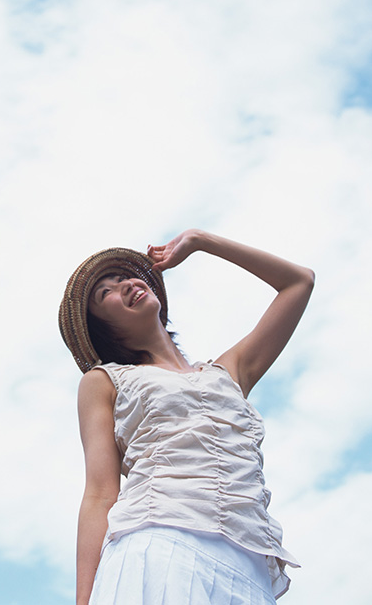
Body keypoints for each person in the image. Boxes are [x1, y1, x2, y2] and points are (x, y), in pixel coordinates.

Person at [58, 229, 314, 605]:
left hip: (249, 568)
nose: (125, 284)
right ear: (103, 330)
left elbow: (299, 282)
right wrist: (84, 601)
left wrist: (200, 241)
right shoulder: (105, 381)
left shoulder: (228, 372)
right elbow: (99, 494)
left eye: (124, 276)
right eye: (105, 292)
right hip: (161, 545)